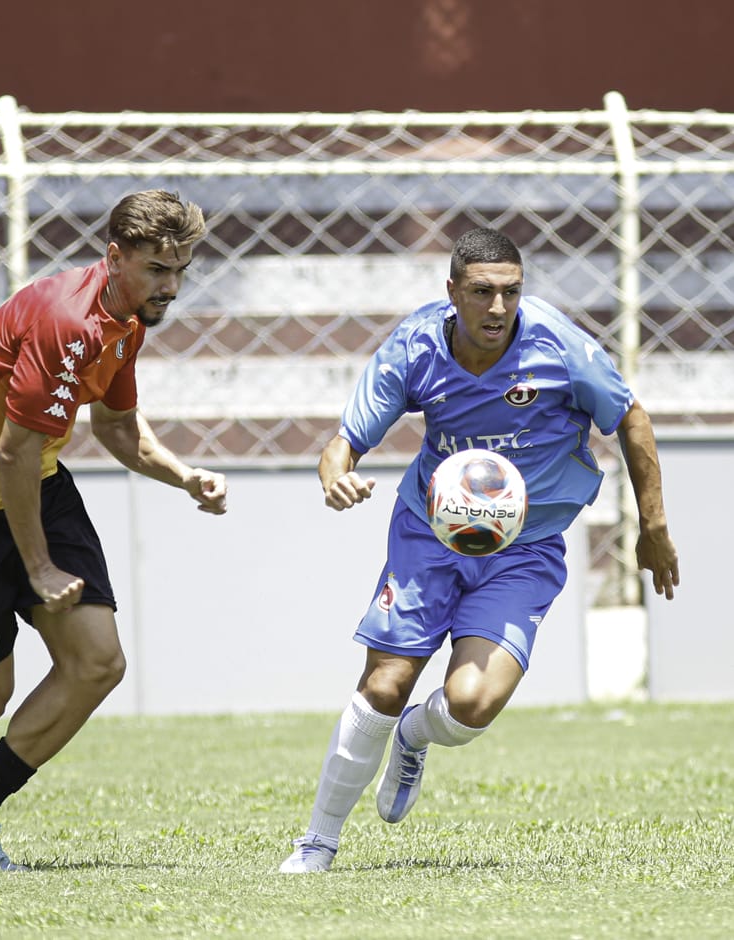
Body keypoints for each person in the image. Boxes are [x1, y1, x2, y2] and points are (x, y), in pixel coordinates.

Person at [279, 227, 679, 874]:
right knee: (385, 682)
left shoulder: (560, 348)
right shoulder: (415, 346)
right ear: (452, 293)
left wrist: (653, 525)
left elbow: (630, 417)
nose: (498, 308)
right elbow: (346, 440)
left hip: (527, 548)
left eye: (510, 293)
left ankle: (415, 735)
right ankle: (318, 843)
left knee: (470, 705)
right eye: (482, 293)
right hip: (429, 535)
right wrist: (335, 474)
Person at [0, 189, 227, 872]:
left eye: (182, 269)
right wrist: (37, 569)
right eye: (157, 269)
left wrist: (185, 477)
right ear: (115, 256)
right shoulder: (69, 322)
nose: (172, 286)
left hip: (38, 482)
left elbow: (117, 428)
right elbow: (10, 452)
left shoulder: (127, 318)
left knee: (98, 662)